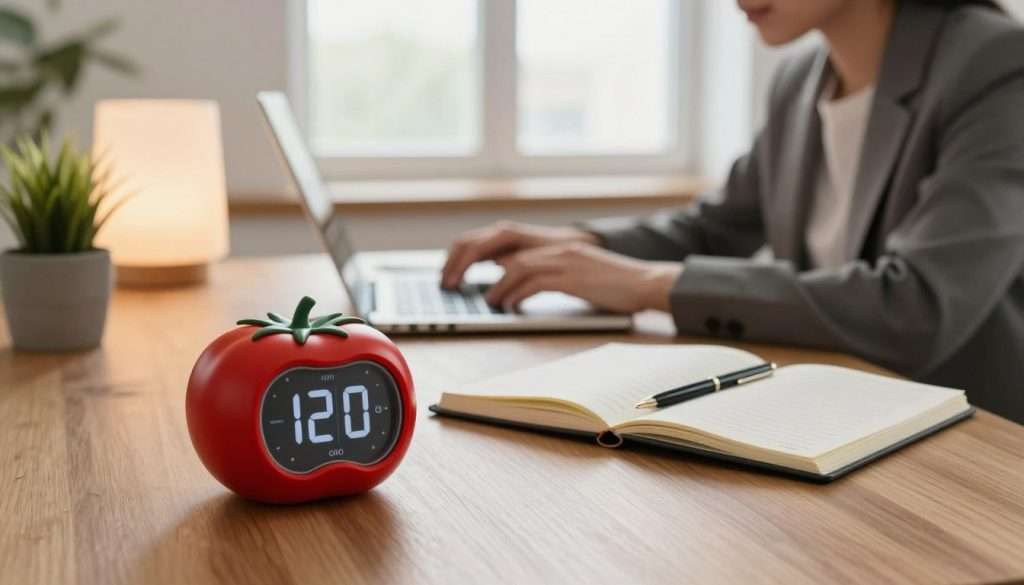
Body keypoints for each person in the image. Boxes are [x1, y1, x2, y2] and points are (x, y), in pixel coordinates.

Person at [440, 0, 1024, 423]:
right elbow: (717, 227)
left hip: (974, 442)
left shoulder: (994, 63)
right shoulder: (800, 80)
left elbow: (917, 305)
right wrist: (576, 245)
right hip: (841, 413)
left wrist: (649, 286)